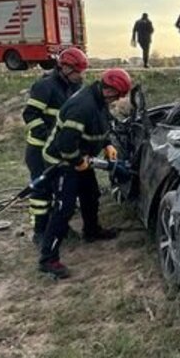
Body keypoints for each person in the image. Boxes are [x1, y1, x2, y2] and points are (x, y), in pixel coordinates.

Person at [37, 68, 134, 278]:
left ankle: (91, 231)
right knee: (64, 208)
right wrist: (79, 161)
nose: (117, 100)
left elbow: (101, 123)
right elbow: (66, 144)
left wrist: (107, 144)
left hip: (80, 156)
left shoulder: (98, 99)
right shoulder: (82, 107)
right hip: (62, 160)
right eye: (117, 96)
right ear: (108, 90)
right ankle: (48, 259)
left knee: (90, 194)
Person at [21, 47, 87, 246]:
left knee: (61, 190)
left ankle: (59, 228)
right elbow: (30, 115)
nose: (80, 76)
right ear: (64, 68)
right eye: (77, 72)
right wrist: (48, 136)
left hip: (59, 150)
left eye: (82, 72)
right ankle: (40, 231)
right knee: (41, 191)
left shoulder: (76, 87)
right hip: (39, 149)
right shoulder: (45, 86)